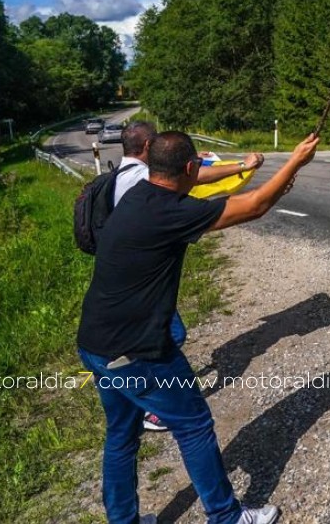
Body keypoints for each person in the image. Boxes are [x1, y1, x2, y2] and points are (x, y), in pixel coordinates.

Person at [77, 130, 319, 524]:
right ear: (190, 167)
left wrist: (268, 178)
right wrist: (294, 160)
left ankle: (124, 521)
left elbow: (243, 201)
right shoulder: (170, 212)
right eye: (199, 168)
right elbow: (254, 205)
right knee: (193, 426)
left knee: (121, 437)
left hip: (94, 344)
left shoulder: (139, 195)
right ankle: (225, 517)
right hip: (137, 352)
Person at [114, 120, 265, 432]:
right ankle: (154, 407)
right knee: (171, 338)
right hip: (144, 284)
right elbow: (206, 183)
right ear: (146, 149)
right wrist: (242, 165)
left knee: (120, 430)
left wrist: (197, 159)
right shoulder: (145, 178)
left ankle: (137, 396)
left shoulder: (121, 175)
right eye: (155, 144)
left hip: (122, 278)